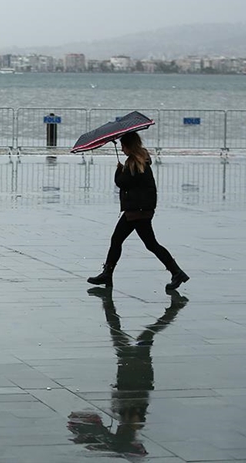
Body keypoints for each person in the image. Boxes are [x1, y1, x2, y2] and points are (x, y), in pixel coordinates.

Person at [68, 287, 188, 456]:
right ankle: (172, 310)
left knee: (140, 336)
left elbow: (133, 397)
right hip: (134, 373)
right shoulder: (132, 420)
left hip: (134, 374)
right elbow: (132, 397)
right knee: (141, 336)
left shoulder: (132, 421)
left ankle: (171, 311)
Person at [87, 131, 189, 291]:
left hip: (137, 211)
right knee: (125, 240)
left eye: (123, 146)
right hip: (139, 209)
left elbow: (122, 183)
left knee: (143, 243)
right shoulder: (140, 160)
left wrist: (118, 170)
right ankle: (107, 273)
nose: (121, 150)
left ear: (129, 146)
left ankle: (177, 272)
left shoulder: (134, 163)